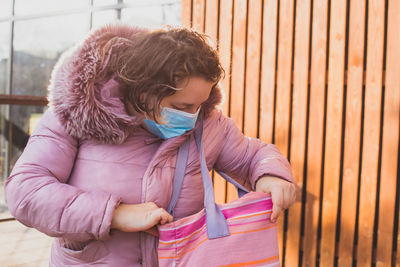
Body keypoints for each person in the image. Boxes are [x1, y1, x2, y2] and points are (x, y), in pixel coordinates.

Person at [4, 23, 296, 266]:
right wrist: (114, 215)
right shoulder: (75, 114)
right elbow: (25, 192)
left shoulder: (209, 123)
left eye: (200, 104)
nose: (194, 116)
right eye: (182, 106)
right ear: (144, 91)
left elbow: (253, 155)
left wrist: (270, 174)